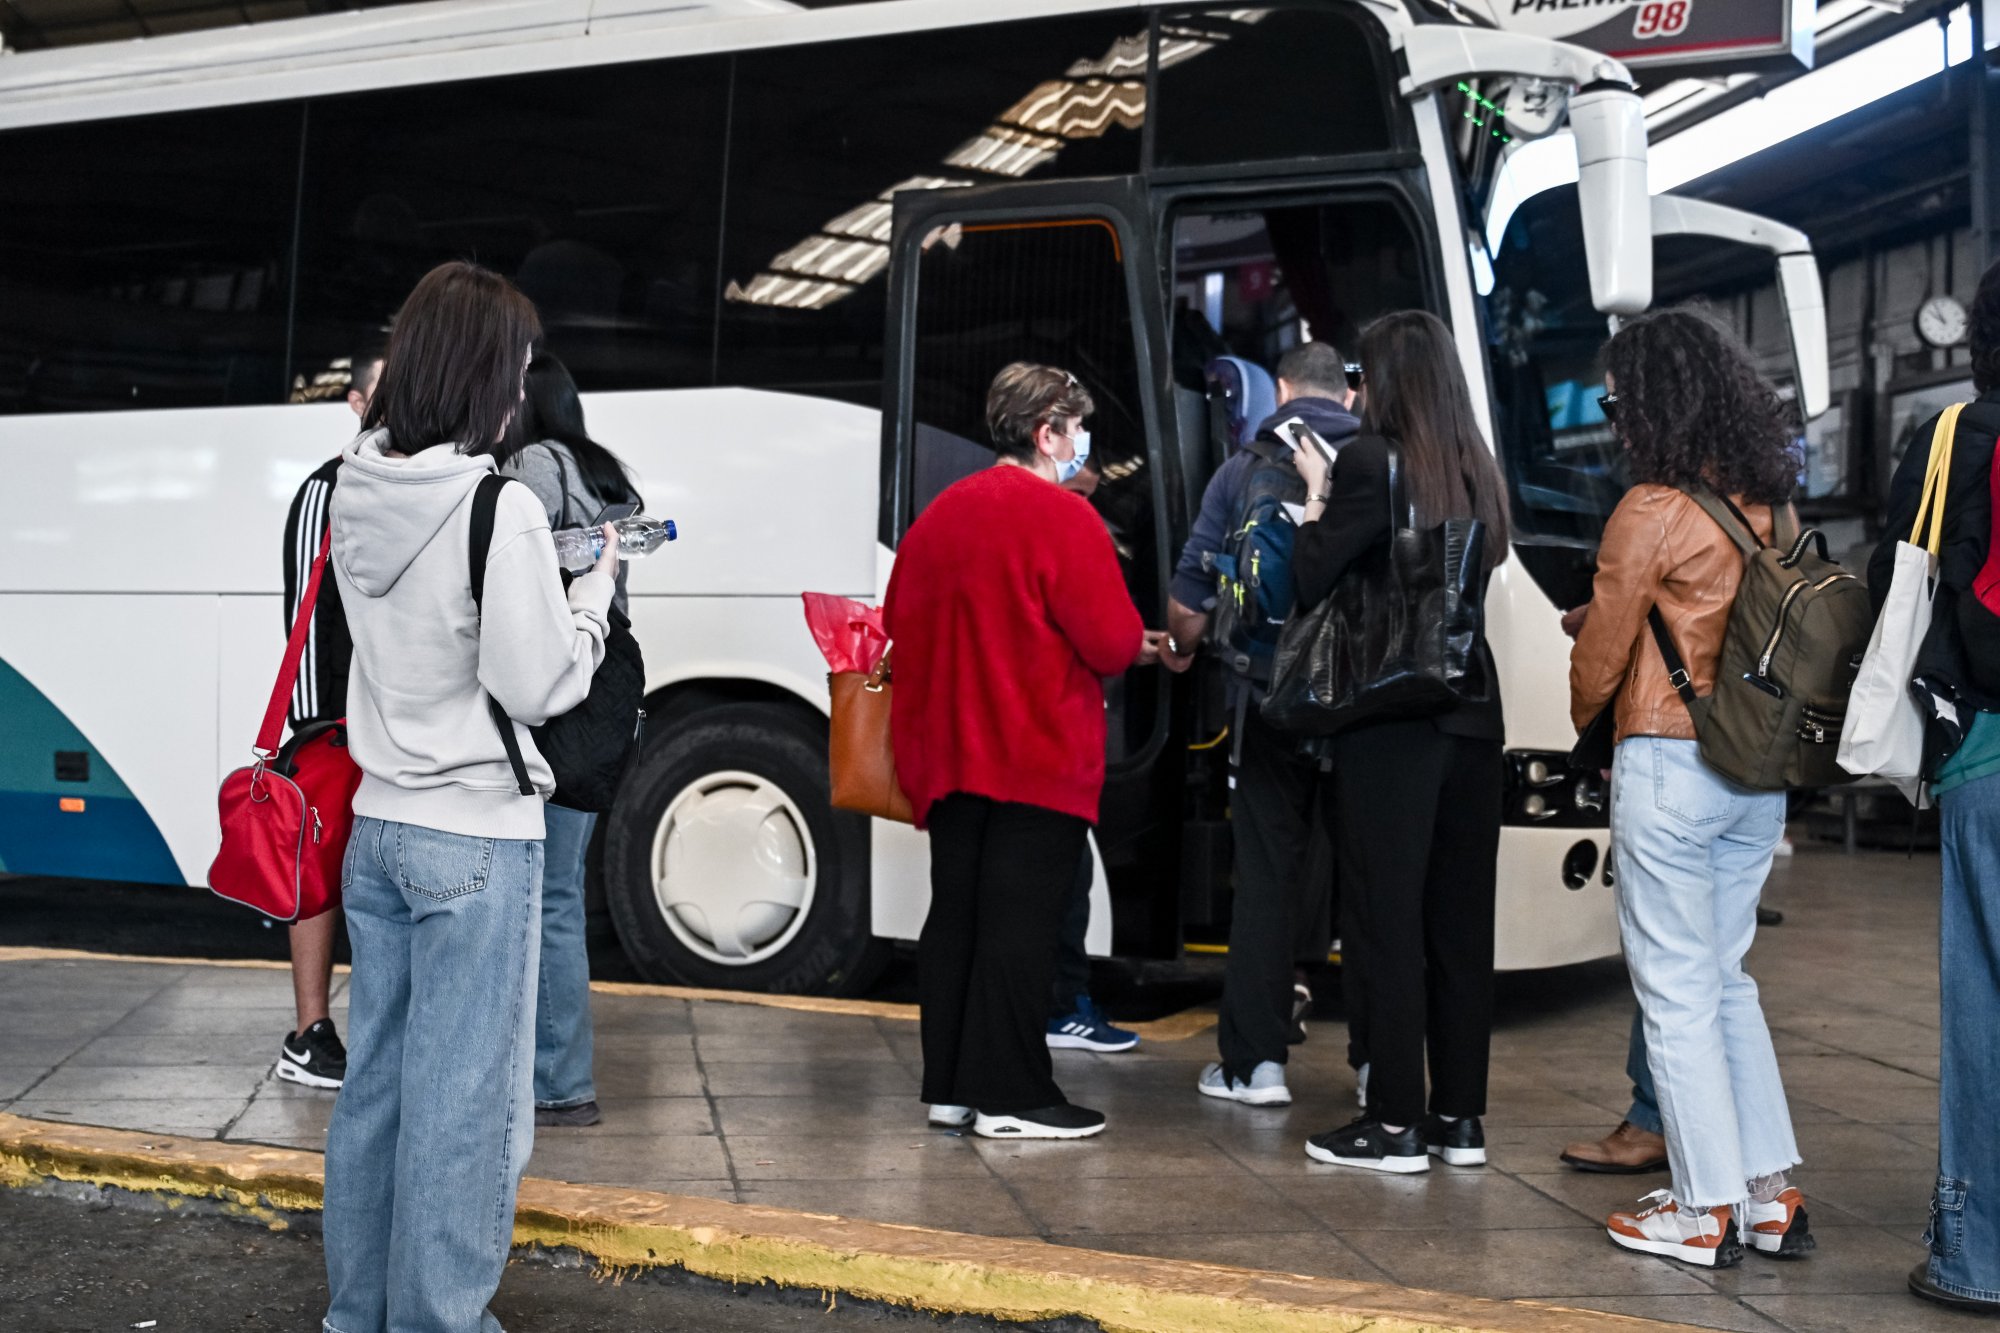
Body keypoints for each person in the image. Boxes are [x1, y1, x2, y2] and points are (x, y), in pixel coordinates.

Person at [321, 261, 617, 1333]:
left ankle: (360, 1316)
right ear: (486, 373)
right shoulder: (501, 510)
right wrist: (590, 594)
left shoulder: (354, 485)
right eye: (518, 367)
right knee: (467, 1109)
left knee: (380, 1094)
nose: (522, 388)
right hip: (475, 838)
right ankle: (438, 1323)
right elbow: (535, 682)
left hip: (381, 824)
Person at [1569, 307, 1811, 1269]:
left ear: (1652, 405)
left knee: (1672, 989)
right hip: (1756, 770)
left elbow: (1602, 655)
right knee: (1726, 979)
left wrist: (1585, 703)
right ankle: (1768, 1192)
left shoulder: (1651, 509)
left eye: (1619, 400)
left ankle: (1701, 1207)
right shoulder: (1772, 506)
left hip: (1670, 761)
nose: (1616, 418)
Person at [884, 362, 1162, 1141]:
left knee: (958, 920)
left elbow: (899, 614)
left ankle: (950, 1086)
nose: (1084, 448)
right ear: (1048, 433)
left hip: (947, 753)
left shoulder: (940, 514)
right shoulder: (1064, 518)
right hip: (1034, 755)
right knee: (1021, 925)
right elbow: (1108, 641)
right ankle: (1011, 1093)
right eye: (1078, 431)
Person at [1290, 311, 1509, 1175]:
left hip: (1391, 720)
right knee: (1459, 928)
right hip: (1473, 718)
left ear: (1387, 379)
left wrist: (1313, 494)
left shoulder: (1371, 463)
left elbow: (1313, 577)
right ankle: (1459, 1119)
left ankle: (1391, 1125)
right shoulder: (1475, 470)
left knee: (1385, 922)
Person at [1163, 340, 1362, 1108]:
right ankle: (1379, 1068)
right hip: (1360, 702)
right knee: (1365, 877)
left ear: (1279, 389)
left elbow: (1189, 600)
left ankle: (1256, 1066)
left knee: (1266, 878)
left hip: (1269, 696)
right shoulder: (1382, 457)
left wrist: (1182, 649)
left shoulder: (1243, 468)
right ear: (1344, 393)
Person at [1877, 263, 2000, 1314]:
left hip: (1987, 751)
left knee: (1984, 1006)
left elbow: (1898, 577)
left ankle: (1975, 1254)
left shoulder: (1955, 435)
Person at [499, 353, 643, 1130]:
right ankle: (561, 1075)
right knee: (562, 893)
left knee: (543, 897)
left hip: (552, 694)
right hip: (599, 692)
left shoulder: (533, 465)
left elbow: (517, 570)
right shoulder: (598, 469)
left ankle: (555, 1081)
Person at [274, 345, 384, 1091]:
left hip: (388, 721)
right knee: (319, 873)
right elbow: (309, 618)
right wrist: (323, 727)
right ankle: (311, 1032)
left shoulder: (407, 483)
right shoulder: (328, 489)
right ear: (354, 401)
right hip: (340, 724)